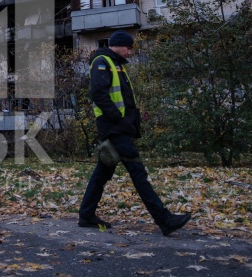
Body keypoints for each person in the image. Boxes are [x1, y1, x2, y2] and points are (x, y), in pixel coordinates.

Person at [78, 30, 191, 236]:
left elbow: (124, 98)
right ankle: (165, 220)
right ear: (119, 45)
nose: (130, 52)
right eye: (128, 48)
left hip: (119, 128)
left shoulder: (117, 64)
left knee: (102, 174)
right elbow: (98, 94)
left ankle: (86, 214)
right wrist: (118, 119)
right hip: (115, 129)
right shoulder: (102, 61)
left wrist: (135, 118)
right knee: (138, 174)